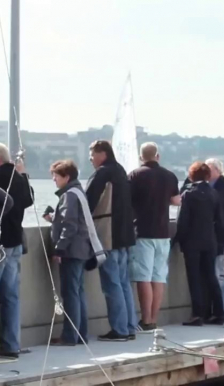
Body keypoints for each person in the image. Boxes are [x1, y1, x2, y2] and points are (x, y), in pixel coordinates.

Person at [0, 142, 32, 359]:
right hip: (15, 242)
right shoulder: (19, 177)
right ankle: (12, 344)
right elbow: (29, 200)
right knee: (11, 296)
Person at [86, 140, 136, 341]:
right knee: (124, 283)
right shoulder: (120, 171)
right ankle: (130, 326)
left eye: (92, 155)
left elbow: (87, 201)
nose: (91, 159)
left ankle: (119, 329)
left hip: (108, 234)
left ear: (102, 154)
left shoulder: (102, 174)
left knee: (111, 283)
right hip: (125, 234)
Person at [127, 143, 180, 333]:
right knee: (158, 277)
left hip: (142, 231)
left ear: (142, 157)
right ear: (157, 156)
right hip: (163, 232)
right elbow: (176, 200)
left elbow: (126, 200)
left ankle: (146, 319)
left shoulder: (135, 175)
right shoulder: (169, 175)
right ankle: (154, 319)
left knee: (143, 276)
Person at [45, 160, 91, 346]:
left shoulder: (68, 196)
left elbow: (69, 225)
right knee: (78, 293)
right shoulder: (79, 192)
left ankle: (70, 335)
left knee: (70, 293)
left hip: (71, 251)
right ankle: (81, 334)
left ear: (66, 177)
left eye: (56, 176)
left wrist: (59, 248)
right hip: (82, 249)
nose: (54, 180)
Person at [176, 162, 224, 326]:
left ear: (191, 175)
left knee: (194, 277)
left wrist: (179, 240)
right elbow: (219, 221)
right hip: (210, 240)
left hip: (193, 241)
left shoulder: (189, 194)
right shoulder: (214, 193)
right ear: (207, 176)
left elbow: (183, 221)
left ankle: (197, 314)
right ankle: (219, 312)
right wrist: (221, 241)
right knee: (211, 276)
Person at [205, 158, 224, 317]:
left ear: (217, 170)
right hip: (212, 236)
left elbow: (217, 203)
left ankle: (223, 308)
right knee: (215, 275)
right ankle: (216, 308)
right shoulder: (212, 185)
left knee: (222, 275)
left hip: (222, 236)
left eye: (209, 170)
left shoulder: (223, 185)